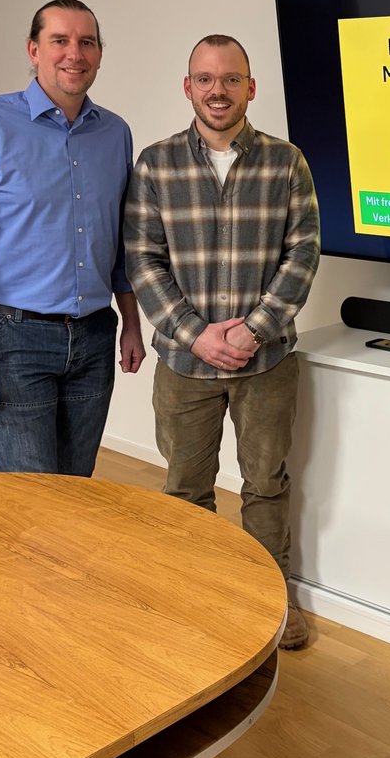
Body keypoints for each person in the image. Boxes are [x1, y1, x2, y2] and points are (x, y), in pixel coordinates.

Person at [123, 35, 319, 650]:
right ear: (188, 88)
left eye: (231, 79)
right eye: (205, 79)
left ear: (250, 88)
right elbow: (142, 259)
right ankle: (198, 594)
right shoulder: (155, 166)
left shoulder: (287, 162)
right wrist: (195, 334)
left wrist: (254, 330)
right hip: (184, 363)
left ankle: (271, 602)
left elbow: (303, 254)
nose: (218, 90)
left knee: (266, 484)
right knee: (186, 489)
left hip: (268, 362)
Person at [0, 0, 144, 474]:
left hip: (95, 335)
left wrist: (131, 323)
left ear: (100, 55)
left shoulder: (115, 133)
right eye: (59, 40)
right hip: (13, 338)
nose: (74, 54)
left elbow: (120, 240)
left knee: (78, 488)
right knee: (31, 502)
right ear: (33, 50)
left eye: (87, 42)